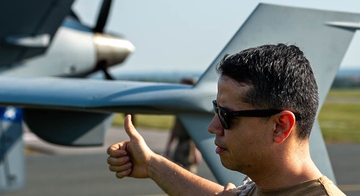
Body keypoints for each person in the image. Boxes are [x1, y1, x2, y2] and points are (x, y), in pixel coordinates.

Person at [107, 43, 346, 196]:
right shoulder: (264, 185)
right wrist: (151, 164)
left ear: (280, 126)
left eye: (226, 115)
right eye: (215, 109)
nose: (213, 127)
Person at [164, 78, 201, 173]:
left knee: (189, 174)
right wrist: (169, 147)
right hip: (180, 144)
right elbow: (175, 129)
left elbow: (197, 131)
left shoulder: (192, 108)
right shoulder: (180, 107)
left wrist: (196, 150)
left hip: (189, 145)